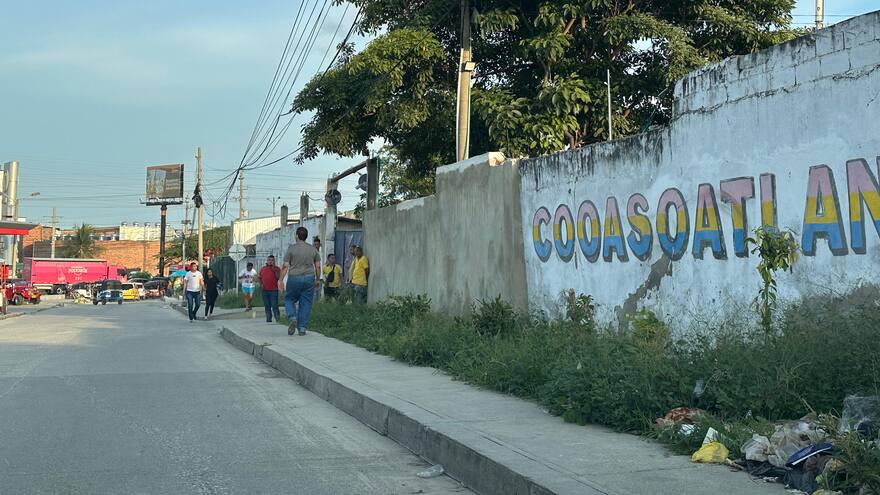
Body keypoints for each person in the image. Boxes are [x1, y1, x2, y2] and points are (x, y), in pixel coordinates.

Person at [281, 226, 320, 336]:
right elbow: (317, 266)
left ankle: (292, 317)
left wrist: (280, 280)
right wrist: (317, 279)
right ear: (306, 236)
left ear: (297, 236)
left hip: (294, 277)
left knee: (289, 299)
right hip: (309, 278)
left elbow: (285, 266)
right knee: (306, 303)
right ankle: (302, 328)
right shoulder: (313, 249)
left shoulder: (291, 249)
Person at [259, 255, 281, 323]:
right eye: (269, 260)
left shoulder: (277, 268)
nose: (270, 261)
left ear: (274, 261)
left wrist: (274, 270)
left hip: (273, 290)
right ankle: (268, 319)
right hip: (265, 290)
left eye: (272, 260)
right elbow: (260, 278)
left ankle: (278, 319)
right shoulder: (263, 268)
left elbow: (278, 277)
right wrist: (261, 284)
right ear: (267, 261)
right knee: (267, 305)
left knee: (274, 305)